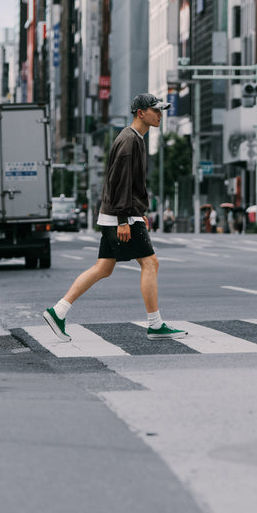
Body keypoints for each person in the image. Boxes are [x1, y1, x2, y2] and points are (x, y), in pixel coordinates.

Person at [43, 94, 187, 343]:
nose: (160, 115)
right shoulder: (130, 140)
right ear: (141, 113)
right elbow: (118, 182)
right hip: (122, 216)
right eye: (156, 111)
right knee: (150, 264)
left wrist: (137, 214)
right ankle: (155, 324)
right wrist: (124, 220)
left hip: (122, 214)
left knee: (103, 268)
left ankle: (59, 311)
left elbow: (126, 184)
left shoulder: (135, 139)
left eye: (161, 111)